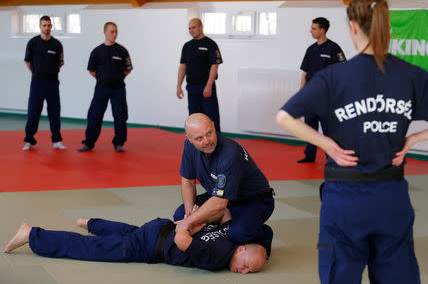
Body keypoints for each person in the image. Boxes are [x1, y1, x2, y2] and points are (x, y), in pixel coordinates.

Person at [277, 0, 428, 284]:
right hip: (391, 198)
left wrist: (326, 144)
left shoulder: (334, 77)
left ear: (353, 27)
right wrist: (414, 140)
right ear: (386, 26)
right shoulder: (411, 75)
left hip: (345, 200)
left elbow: (284, 117)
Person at [4, 209, 272, 274]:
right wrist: (190, 227)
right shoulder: (217, 261)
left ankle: (92, 223)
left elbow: (225, 213)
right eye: (247, 265)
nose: (244, 272)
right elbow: (182, 241)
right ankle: (33, 235)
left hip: (159, 226)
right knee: (94, 249)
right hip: (152, 245)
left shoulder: (232, 233)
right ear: (241, 249)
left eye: (250, 271)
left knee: (128, 232)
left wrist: (196, 219)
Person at [173, 113, 275, 244]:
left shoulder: (230, 153)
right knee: (180, 215)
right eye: (199, 138)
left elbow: (219, 203)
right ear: (189, 138)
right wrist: (189, 213)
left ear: (213, 127)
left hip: (254, 201)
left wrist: (189, 222)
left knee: (238, 233)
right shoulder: (189, 146)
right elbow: (188, 182)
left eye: (209, 133)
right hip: (221, 198)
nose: (206, 141)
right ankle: (224, 222)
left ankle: (262, 232)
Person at [78, 22, 133, 153]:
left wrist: (117, 78)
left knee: (120, 116)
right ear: (105, 32)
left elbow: (128, 69)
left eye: (116, 32)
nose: (114, 34)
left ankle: (119, 143)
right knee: (94, 116)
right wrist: (103, 79)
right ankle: (89, 143)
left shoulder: (122, 50)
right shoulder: (97, 52)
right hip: (101, 88)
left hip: (118, 89)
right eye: (112, 31)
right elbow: (91, 70)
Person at [297, 17, 346, 163]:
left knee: (328, 130)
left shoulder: (334, 48)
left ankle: (331, 158)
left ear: (322, 30)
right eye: (311, 28)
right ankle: (309, 155)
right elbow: (305, 72)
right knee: (310, 129)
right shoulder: (311, 50)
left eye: (314, 28)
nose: (311, 31)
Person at [23, 15, 66, 151]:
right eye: (44, 25)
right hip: (37, 82)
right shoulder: (32, 43)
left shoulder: (57, 44)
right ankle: (29, 140)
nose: (46, 28)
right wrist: (37, 73)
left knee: (54, 112)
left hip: (52, 83)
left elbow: (60, 63)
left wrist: (50, 72)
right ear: (40, 26)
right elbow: (27, 61)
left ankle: (57, 141)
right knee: (33, 112)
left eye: (48, 25)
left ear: (51, 26)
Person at [177, 18, 223, 133]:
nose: (191, 30)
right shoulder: (187, 46)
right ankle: (197, 147)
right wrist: (179, 86)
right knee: (194, 119)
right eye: (189, 28)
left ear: (200, 27)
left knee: (211, 119)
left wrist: (208, 86)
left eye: (193, 27)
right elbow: (183, 67)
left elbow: (214, 66)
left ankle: (217, 148)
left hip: (206, 87)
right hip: (192, 88)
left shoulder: (210, 44)